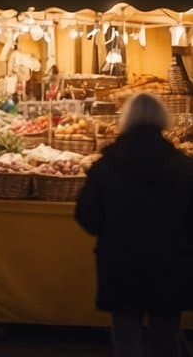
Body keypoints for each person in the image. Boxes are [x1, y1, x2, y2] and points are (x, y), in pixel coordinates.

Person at [76, 93, 193, 356]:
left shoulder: (106, 166)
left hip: (120, 260)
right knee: (165, 332)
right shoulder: (184, 167)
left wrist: (111, 232)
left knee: (125, 330)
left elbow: (86, 214)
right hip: (170, 262)